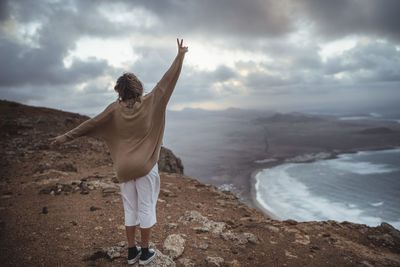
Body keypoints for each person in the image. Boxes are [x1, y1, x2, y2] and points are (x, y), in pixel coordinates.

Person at [49, 39, 188, 265]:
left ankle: (131, 252)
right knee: (146, 207)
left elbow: (90, 125)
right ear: (138, 89)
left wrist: (63, 138)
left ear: (120, 92)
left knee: (130, 209)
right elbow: (168, 80)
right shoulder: (151, 101)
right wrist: (180, 55)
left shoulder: (114, 109)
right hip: (145, 167)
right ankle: (145, 253)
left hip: (123, 169)